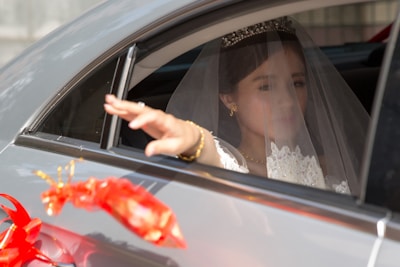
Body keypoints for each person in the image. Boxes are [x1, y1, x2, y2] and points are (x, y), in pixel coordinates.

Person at [104, 17, 370, 196]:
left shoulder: (333, 163)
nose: (287, 100)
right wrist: (189, 137)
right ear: (229, 98)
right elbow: (204, 148)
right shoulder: (230, 167)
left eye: (297, 83)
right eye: (266, 86)